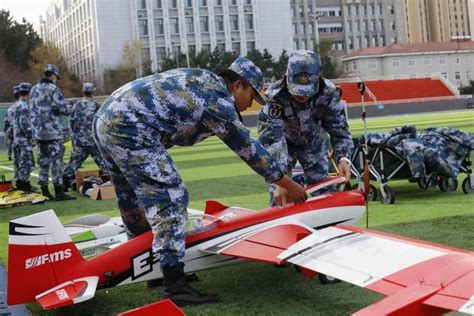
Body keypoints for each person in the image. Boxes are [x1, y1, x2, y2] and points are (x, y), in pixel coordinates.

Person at [93, 57, 307, 306]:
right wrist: (287, 182)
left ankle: (150, 267)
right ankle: (175, 284)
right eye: (251, 96)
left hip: (106, 119)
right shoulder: (217, 98)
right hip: (129, 125)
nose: (250, 105)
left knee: (130, 196)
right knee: (171, 195)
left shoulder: (203, 81)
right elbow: (248, 148)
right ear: (237, 85)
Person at [258, 50, 354, 206]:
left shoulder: (328, 93)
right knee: (280, 196)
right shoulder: (275, 97)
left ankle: (324, 227)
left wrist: (344, 158)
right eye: (297, 90)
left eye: (307, 91)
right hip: (284, 144)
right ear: (287, 78)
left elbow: (339, 129)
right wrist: (282, 181)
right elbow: (271, 140)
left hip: (314, 141)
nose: (302, 96)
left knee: (323, 191)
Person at [29, 64, 75, 201]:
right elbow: (63, 109)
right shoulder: (52, 89)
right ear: (53, 76)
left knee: (43, 161)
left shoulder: (33, 89)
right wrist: (71, 106)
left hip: (38, 131)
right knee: (56, 161)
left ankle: (44, 190)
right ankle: (58, 191)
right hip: (52, 131)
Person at [63, 83, 107, 188]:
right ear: (93, 92)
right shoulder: (96, 106)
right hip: (93, 140)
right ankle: (114, 182)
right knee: (103, 162)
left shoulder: (76, 105)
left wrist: (76, 134)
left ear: (83, 92)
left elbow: (72, 123)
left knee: (74, 162)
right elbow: (101, 122)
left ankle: (63, 183)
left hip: (79, 140)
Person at [11, 82, 36, 192]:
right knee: (27, 162)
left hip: (17, 139)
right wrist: (32, 138)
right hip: (23, 140)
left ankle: (21, 182)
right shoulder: (24, 106)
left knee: (20, 162)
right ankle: (23, 184)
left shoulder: (16, 105)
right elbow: (25, 124)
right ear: (29, 92)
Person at [4, 86, 21, 186]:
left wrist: (9, 138)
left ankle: (18, 180)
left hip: (14, 138)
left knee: (17, 161)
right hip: (20, 137)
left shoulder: (11, 109)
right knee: (23, 161)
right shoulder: (21, 107)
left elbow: (6, 124)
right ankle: (22, 183)